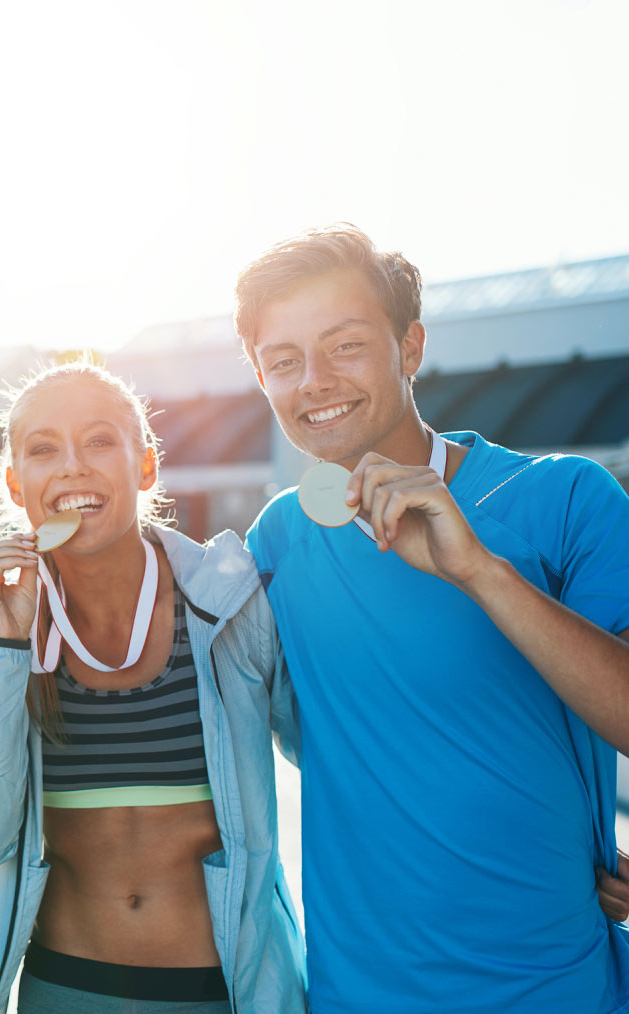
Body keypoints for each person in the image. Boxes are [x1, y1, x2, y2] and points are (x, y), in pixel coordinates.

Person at [235, 224, 629, 1014]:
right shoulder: (274, 542)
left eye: (345, 346)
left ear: (409, 348)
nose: (313, 381)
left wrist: (478, 570)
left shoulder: (567, 499)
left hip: (556, 984)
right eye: (283, 362)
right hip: (359, 994)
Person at [0, 359, 306, 1014]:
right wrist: (0, 652)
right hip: (63, 991)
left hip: (220, 993)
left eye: (100, 440)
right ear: (17, 485)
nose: (73, 467)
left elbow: (326, 749)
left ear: (146, 465)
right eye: (44, 449)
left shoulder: (229, 600)